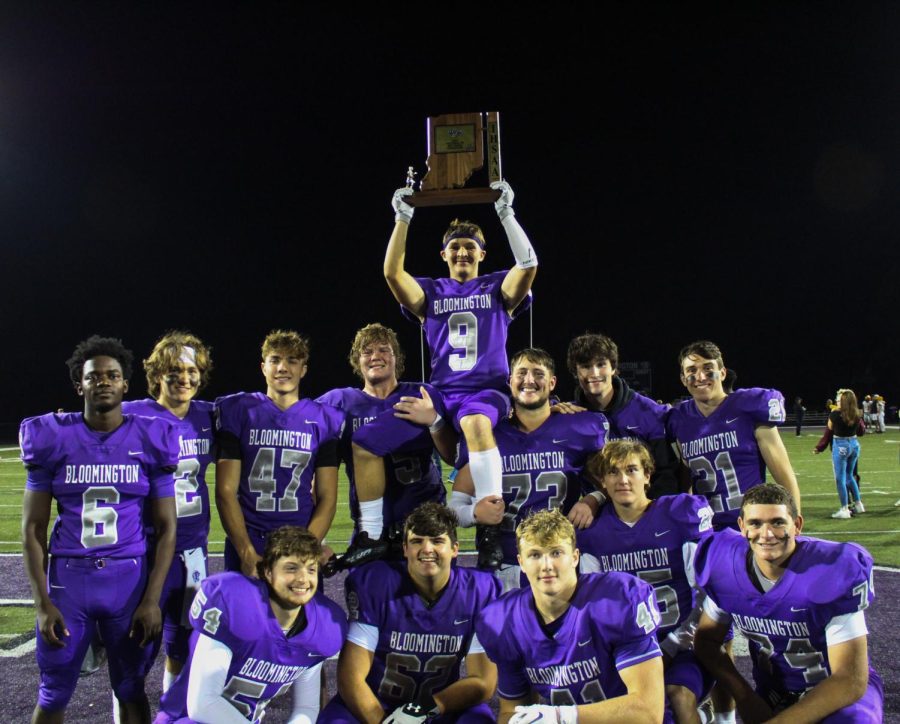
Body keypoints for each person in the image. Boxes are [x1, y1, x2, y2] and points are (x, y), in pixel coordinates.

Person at [352, 180, 538, 570]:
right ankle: (370, 534)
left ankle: (489, 523)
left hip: (484, 391)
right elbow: (391, 273)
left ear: (482, 254)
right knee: (365, 443)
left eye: (470, 246)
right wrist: (403, 216)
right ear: (444, 254)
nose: (463, 251)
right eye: (455, 246)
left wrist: (506, 213)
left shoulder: (496, 287)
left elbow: (529, 264)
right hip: (439, 392)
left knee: (473, 421)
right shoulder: (431, 292)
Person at [20, 335, 178, 723]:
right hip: (70, 581)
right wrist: (42, 603)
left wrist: (152, 599)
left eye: (113, 375)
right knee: (54, 690)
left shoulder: (150, 438)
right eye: (94, 377)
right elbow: (33, 527)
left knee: (131, 687)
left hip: (129, 580)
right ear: (80, 385)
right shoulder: (53, 437)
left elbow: (166, 526)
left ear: (126, 384)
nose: (103, 381)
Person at [693, 484, 883, 722]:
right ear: (742, 527)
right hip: (775, 692)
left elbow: (850, 680)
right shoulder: (724, 568)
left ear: (797, 525)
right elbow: (706, 641)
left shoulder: (830, 570)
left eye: (778, 522)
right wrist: (745, 697)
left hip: (836, 692)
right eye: (755, 523)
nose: (767, 534)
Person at [475, 509, 665, 724]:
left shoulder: (616, 600)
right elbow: (511, 712)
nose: (547, 565)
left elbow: (648, 712)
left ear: (575, 557)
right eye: (535, 555)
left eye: (556, 553)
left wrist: (560, 717)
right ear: (521, 562)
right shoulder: (504, 620)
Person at [320, 502, 500, 723]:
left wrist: (427, 708)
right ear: (405, 549)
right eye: (417, 541)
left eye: (437, 541)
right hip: (376, 702)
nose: (426, 549)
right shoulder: (377, 584)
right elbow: (351, 678)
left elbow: (483, 682)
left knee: (479, 720)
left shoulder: (479, 591)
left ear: (455, 549)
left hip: (440, 706)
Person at [577, 440, 714, 723]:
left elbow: (706, 593)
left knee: (678, 695)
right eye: (613, 472)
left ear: (647, 475)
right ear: (602, 481)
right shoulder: (593, 532)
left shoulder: (679, 513)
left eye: (632, 470)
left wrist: (673, 644)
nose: (623, 479)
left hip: (684, 641)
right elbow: (592, 601)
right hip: (628, 648)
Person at [450, 347, 608, 591]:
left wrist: (593, 499)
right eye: (521, 373)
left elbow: (613, 482)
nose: (529, 380)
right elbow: (454, 508)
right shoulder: (487, 434)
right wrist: (473, 514)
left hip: (560, 561)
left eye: (538, 373)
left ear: (552, 382)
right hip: (505, 564)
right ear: (510, 381)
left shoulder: (580, 426)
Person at [156, 525, 347, 723]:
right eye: (291, 568)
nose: (303, 579)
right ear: (268, 572)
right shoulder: (235, 604)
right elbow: (203, 704)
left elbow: (306, 707)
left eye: (311, 569)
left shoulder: (322, 628)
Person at [120, 331, 216, 692]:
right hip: (145, 551)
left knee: (185, 645)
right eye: (175, 370)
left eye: (192, 370)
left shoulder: (209, 416)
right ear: (158, 373)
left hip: (194, 552)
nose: (185, 378)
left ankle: (171, 714)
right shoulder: (132, 415)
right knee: (138, 647)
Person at [317, 323, 453, 561]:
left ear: (396, 357)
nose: (375, 356)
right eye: (366, 351)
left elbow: (453, 456)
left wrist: (435, 421)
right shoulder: (338, 403)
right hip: (369, 531)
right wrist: (317, 539)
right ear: (356, 360)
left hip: (426, 528)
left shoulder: (422, 394)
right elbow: (314, 471)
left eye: (383, 350)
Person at [214, 330, 344, 576]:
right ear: (263, 367)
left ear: (303, 369)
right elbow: (225, 491)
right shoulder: (241, 410)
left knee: (302, 615)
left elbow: (327, 497)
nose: (283, 367)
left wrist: (309, 546)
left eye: (292, 360)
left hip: (300, 538)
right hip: (250, 537)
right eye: (275, 360)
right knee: (245, 613)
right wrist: (245, 551)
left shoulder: (323, 420)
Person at [665, 340, 801, 531]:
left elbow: (784, 474)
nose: (700, 376)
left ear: (722, 373)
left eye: (708, 367)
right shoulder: (678, 419)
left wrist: (793, 522)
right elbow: (686, 477)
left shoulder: (749, 407)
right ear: (683, 378)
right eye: (692, 370)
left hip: (752, 528)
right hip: (708, 531)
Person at [558, 333, 682, 498]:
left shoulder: (648, 411)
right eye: (586, 366)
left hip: (644, 509)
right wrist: (547, 411)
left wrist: (652, 513)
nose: (594, 373)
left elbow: (665, 473)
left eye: (601, 364)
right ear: (575, 372)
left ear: (614, 368)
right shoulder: (569, 416)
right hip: (594, 513)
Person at [817, 389, 864, 519]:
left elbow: (829, 430)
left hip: (841, 445)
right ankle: (859, 504)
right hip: (854, 445)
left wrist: (820, 446)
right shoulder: (857, 413)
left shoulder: (835, 415)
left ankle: (844, 509)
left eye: (839, 400)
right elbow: (861, 431)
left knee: (840, 479)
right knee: (850, 476)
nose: (837, 401)